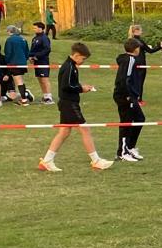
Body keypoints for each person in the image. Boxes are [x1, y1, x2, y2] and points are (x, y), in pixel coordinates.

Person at [37, 43, 113, 172]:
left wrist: (81, 86)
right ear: (76, 55)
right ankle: (96, 160)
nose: (83, 62)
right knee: (85, 130)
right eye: (83, 59)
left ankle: (47, 160)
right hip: (69, 104)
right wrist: (81, 88)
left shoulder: (71, 66)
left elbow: (70, 84)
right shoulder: (69, 67)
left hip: (68, 103)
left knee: (64, 132)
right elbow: (66, 86)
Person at [113, 38, 147, 163]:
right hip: (124, 96)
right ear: (136, 49)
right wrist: (128, 95)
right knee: (126, 122)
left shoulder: (129, 60)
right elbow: (124, 79)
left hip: (130, 95)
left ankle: (130, 147)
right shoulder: (130, 60)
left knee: (140, 119)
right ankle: (122, 152)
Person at [1, 24, 32, 105]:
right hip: (22, 63)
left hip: (14, 63)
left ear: (9, 31)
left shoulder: (10, 40)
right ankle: (24, 96)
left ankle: (24, 99)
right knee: (20, 80)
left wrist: (7, 62)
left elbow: (8, 52)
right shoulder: (23, 39)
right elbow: (27, 52)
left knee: (18, 81)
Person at [29, 22, 54, 104]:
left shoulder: (44, 38)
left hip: (43, 61)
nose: (34, 29)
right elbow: (32, 50)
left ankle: (49, 98)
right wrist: (31, 57)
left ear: (41, 28)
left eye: (35, 28)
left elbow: (47, 49)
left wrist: (37, 56)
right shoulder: (35, 38)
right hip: (36, 62)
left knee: (44, 79)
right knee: (40, 79)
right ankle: (45, 96)